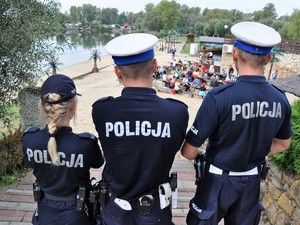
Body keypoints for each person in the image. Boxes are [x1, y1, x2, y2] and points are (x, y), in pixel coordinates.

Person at [181, 21, 292, 225]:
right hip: (251, 181)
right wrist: (254, 150)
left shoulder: (219, 97)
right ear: (267, 59)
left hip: (216, 181)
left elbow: (188, 151)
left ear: (234, 54)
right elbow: (284, 143)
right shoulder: (280, 99)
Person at [92, 33, 189, 225]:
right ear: (154, 66)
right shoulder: (177, 112)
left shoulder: (102, 110)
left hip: (115, 209)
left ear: (117, 72)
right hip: (155, 210)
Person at [22, 74, 105, 225]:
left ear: (42, 105)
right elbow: (98, 163)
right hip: (78, 214)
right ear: (72, 106)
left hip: (44, 213)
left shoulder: (29, 139)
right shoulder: (86, 143)